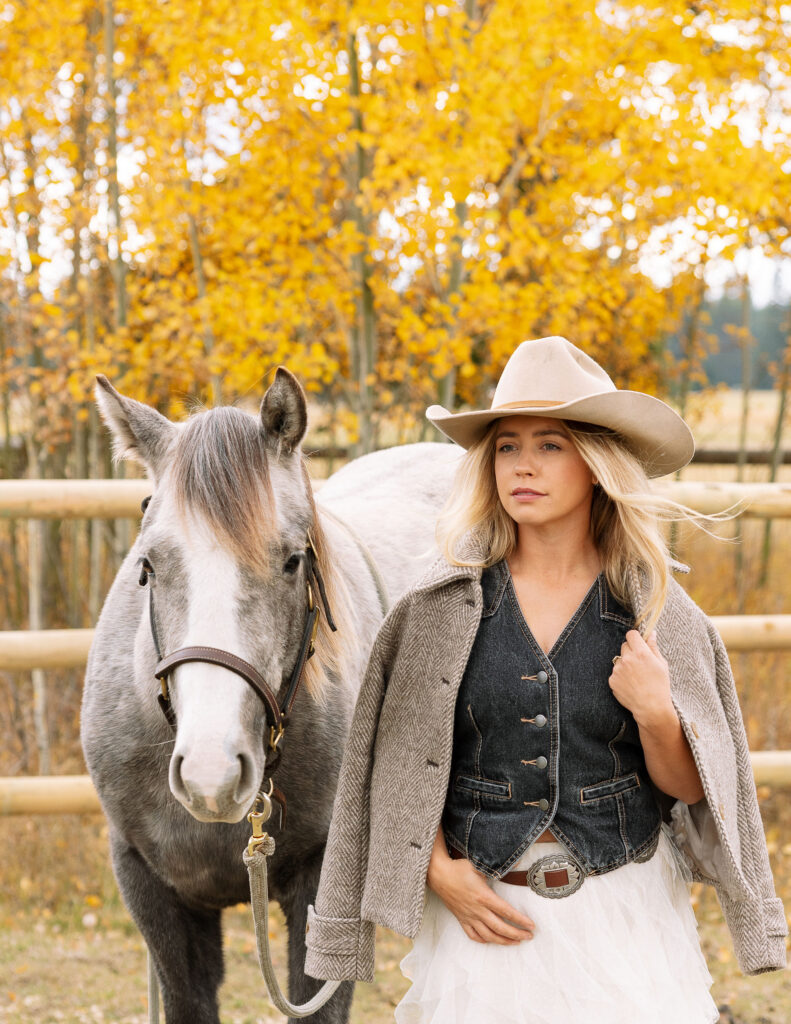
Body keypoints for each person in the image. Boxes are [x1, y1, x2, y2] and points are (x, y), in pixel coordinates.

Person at [304, 337, 787, 1024]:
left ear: (595, 463)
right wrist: (438, 869)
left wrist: (655, 713)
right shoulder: (437, 611)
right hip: (485, 919)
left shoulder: (657, 613)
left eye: (549, 445)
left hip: (623, 906)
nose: (521, 466)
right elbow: (395, 766)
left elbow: (689, 786)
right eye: (506, 447)